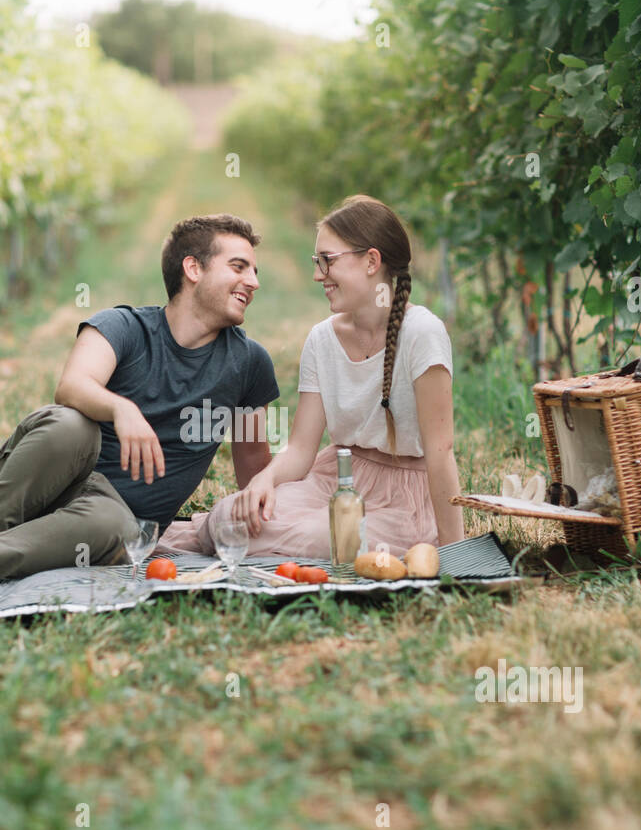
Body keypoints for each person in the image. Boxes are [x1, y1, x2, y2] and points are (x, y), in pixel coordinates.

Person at [0, 213, 280, 596]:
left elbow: (253, 473)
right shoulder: (124, 327)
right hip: (57, 481)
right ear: (193, 269)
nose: (254, 282)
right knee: (72, 424)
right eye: (239, 267)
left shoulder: (248, 365)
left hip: (109, 521)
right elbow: (72, 386)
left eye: (255, 271)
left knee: (119, 526)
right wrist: (122, 409)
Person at [159, 194, 464, 560]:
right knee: (232, 516)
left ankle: (250, 542)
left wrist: (455, 552)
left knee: (328, 538)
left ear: (371, 261)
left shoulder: (422, 333)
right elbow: (302, 448)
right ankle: (223, 533)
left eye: (327, 261)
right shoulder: (322, 338)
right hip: (333, 479)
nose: (319, 274)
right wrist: (264, 481)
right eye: (316, 262)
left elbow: (440, 451)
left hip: (404, 497)